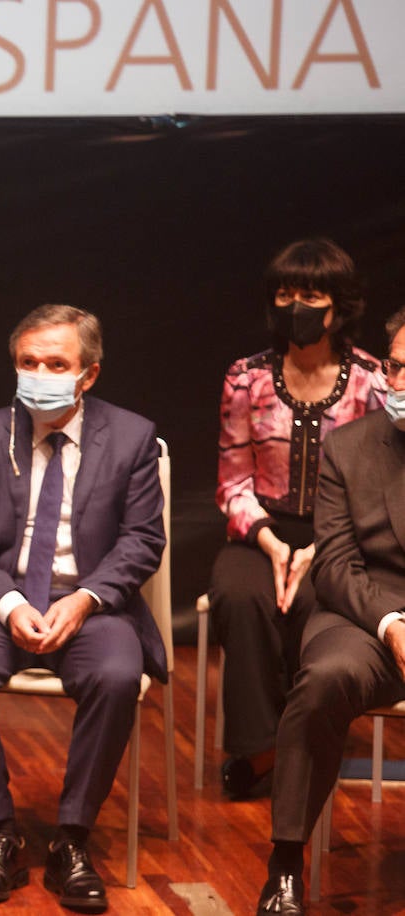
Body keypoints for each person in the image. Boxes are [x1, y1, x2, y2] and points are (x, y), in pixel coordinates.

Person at [0, 305, 166, 913]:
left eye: (56, 364)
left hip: (91, 605)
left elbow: (144, 539)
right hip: (1, 603)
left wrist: (87, 599)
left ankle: (72, 837)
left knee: (118, 675)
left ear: (88, 374)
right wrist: (10, 604)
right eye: (28, 362)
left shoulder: (132, 437)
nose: (40, 373)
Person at [210, 238, 385, 799]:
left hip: (342, 535)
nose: (296, 306)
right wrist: (270, 543)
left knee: (317, 602)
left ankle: (309, 740)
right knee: (240, 595)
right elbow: (232, 479)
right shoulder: (246, 377)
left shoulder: (374, 381)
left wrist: (319, 550)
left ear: (339, 305)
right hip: (262, 529)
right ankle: (259, 748)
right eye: (285, 294)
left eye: (310, 295)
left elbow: (379, 486)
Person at [256, 306, 405, 914]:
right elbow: (337, 565)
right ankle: (285, 864)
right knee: (322, 681)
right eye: (397, 368)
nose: (400, 384)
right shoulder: (349, 447)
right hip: (366, 616)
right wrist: (393, 624)